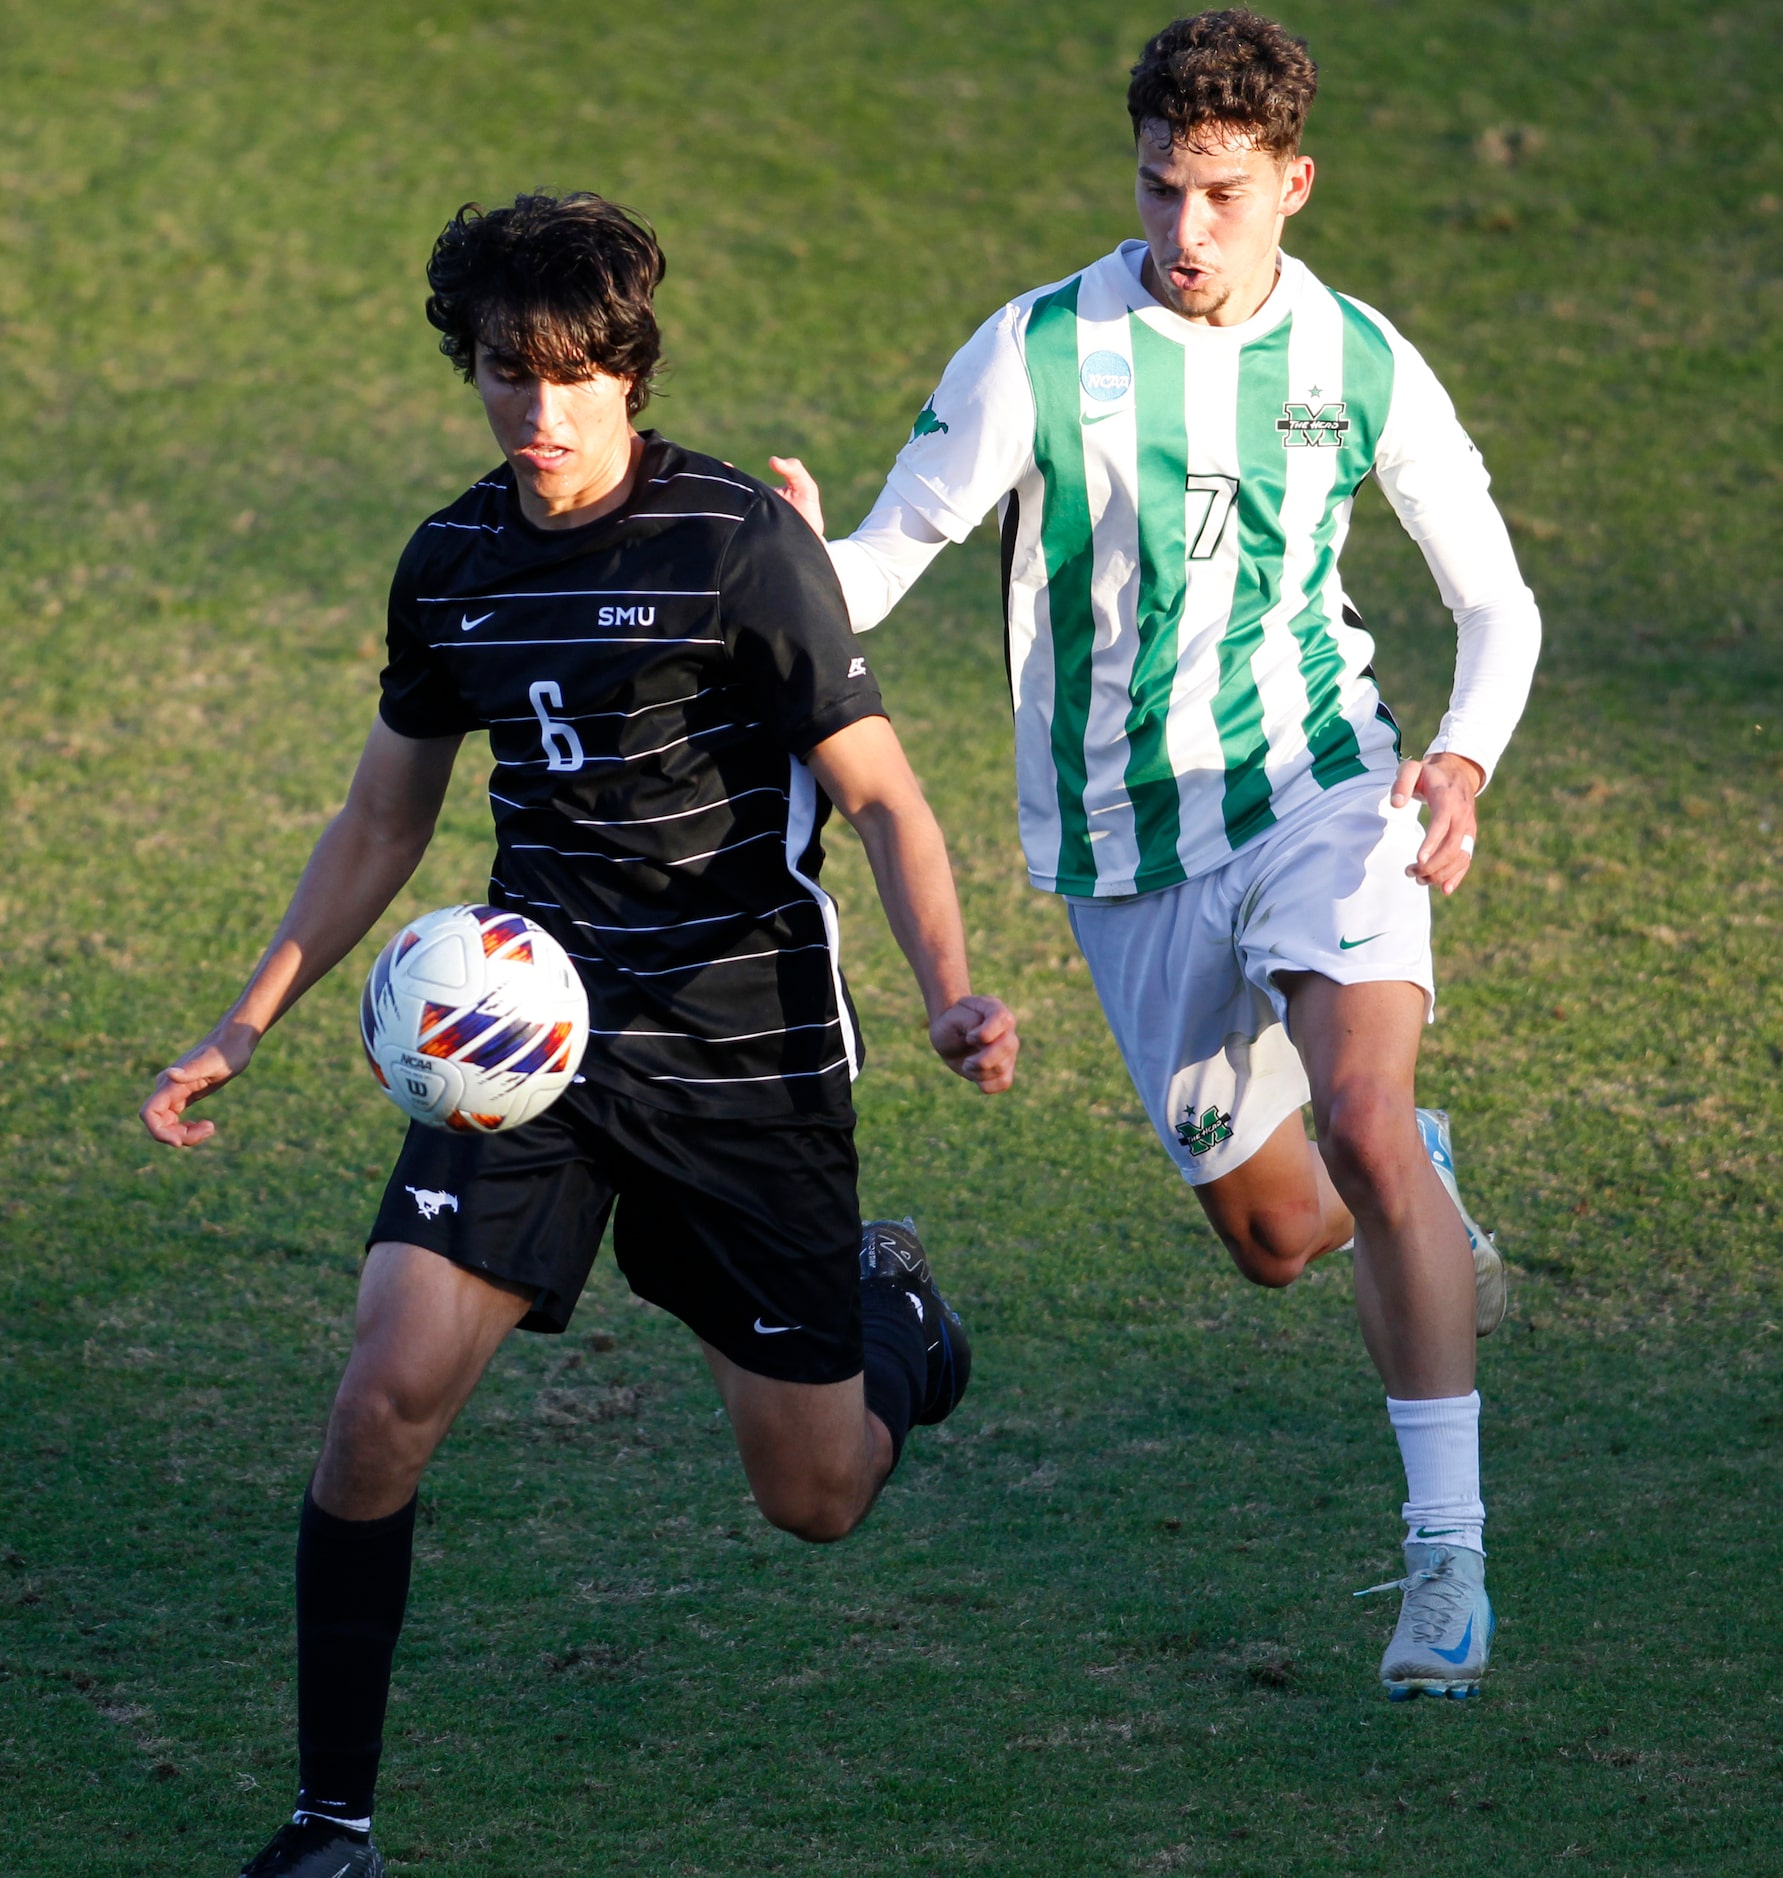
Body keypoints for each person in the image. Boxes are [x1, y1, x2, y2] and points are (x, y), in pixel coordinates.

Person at [139, 191, 1019, 1878]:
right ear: (467, 369)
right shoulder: (454, 564)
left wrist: (947, 990)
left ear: (628, 371)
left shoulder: (739, 549)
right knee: (379, 1403)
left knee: (814, 1493)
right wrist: (243, 1024)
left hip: (739, 1054)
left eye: (569, 378)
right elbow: (383, 818)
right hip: (520, 1048)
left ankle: (892, 1311)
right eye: (500, 374)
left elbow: (887, 801)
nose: (537, 417)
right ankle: (334, 1822)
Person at [771, 9, 1540, 1700]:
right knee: (1277, 1229)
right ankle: (1412, 1159)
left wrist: (1462, 758)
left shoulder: (1359, 362)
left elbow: (1497, 598)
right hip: (1128, 847)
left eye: (1218, 194)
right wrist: (789, 560)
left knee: (1350, 1121)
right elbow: (890, 556)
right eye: (1155, 190)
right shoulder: (1039, 354)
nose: (1181, 233)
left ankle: (1445, 1566)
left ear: (1294, 185)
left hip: (1329, 782)